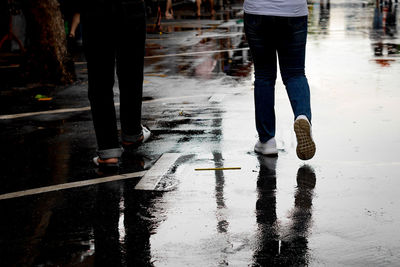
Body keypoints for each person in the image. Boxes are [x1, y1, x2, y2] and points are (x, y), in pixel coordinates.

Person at [74, 0, 151, 167]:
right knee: (131, 72)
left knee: (99, 78)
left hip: (95, 9)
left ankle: (108, 151)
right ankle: (131, 133)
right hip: (131, 7)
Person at [243, 0, 316, 160]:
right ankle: (302, 116)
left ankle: (267, 140)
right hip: (293, 11)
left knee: (264, 76)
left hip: (257, 11)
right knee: (295, 74)